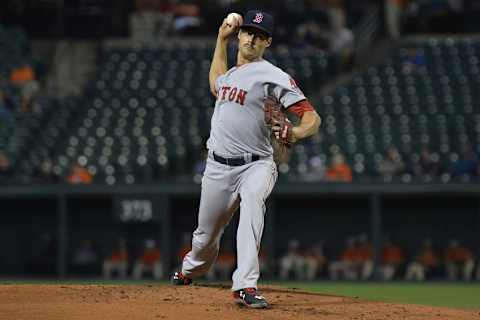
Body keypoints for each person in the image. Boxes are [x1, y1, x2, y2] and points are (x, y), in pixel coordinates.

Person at [171, 9, 321, 309]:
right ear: (240, 35)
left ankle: (245, 285)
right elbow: (216, 82)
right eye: (249, 32)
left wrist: (295, 133)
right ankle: (190, 269)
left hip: (258, 163)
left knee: (253, 202)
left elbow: (312, 118)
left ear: (267, 43)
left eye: (260, 35)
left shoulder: (273, 75)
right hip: (217, 167)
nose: (253, 38)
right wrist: (219, 40)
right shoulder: (230, 76)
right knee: (204, 239)